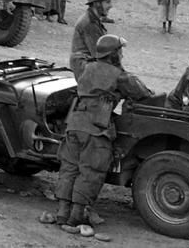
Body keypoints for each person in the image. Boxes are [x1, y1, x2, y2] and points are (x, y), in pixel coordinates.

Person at [43, 34, 153, 234]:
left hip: (74, 124)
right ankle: (77, 217)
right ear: (114, 54)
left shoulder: (86, 68)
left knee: (69, 169)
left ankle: (62, 213)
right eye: (120, 51)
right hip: (95, 128)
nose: (122, 54)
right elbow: (142, 93)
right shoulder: (118, 75)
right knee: (90, 171)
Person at [69, 0, 112, 78]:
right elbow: (99, 54)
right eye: (107, 2)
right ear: (97, 4)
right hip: (85, 67)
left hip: (88, 65)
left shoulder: (93, 20)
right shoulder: (89, 23)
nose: (110, 6)